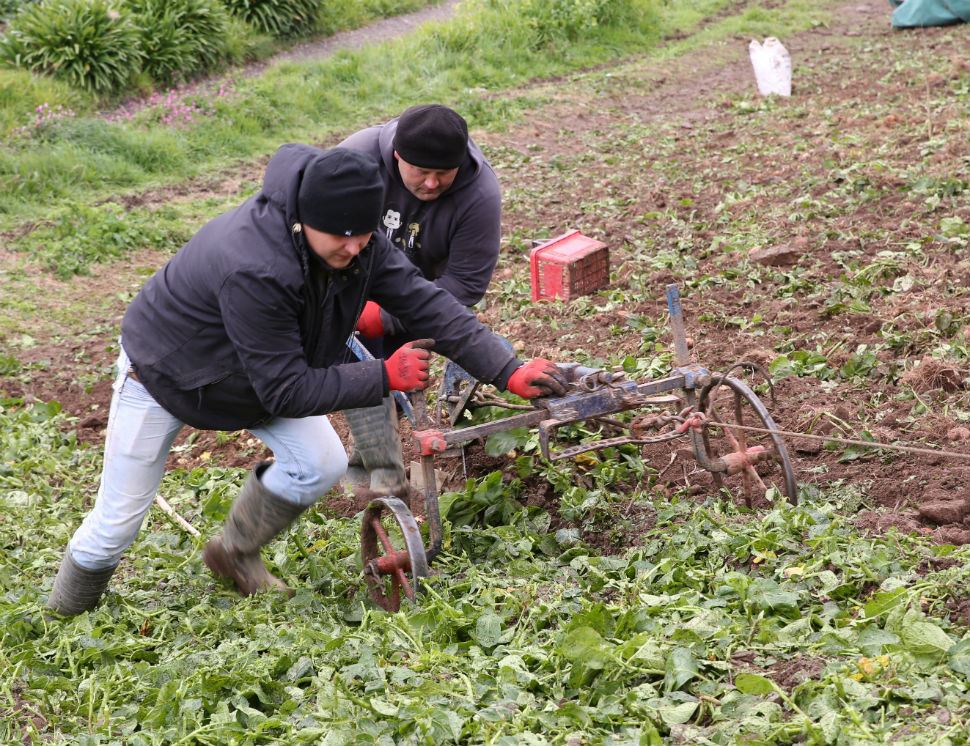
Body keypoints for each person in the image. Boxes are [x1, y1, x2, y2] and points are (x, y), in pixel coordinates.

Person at [47, 144, 566, 615]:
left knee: (320, 462)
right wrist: (382, 375)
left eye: (365, 235)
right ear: (302, 222)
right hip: (165, 373)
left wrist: (507, 368)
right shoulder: (255, 267)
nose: (356, 248)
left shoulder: (355, 241)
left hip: (256, 372)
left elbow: (427, 303)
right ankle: (67, 615)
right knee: (117, 523)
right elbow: (284, 391)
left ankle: (233, 551)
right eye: (343, 237)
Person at [338, 103, 503, 500]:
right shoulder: (354, 162)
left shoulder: (479, 193)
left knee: (479, 351)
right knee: (367, 376)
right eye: (420, 172)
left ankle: (470, 452)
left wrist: (391, 317)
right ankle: (375, 477)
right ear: (397, 155)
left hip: (426, 297)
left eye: (443, 174)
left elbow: (464, 285)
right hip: (349, 289)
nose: (431, 184)